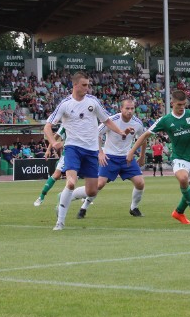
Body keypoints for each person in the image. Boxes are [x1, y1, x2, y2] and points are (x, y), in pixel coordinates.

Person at [43, 71, 127, 231]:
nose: (87, 88)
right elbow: (47, 126)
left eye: (88, 85)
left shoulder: (93, 102)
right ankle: (60, 222)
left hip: (91, 150)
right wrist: (53, 142)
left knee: (92, 190)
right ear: (75, 85)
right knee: (71, 182)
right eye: (84, 85)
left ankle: (63, 197)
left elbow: (106, 120)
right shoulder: (65, 104)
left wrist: (120, 132)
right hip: (72, 148)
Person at [127, 89, 190, 225]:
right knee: (183, 178)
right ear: (172, 103)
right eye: (178, 105)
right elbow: (145, 135)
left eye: (183, 105)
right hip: (178, 157)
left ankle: (178, 212)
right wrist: (132, 151)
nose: (181, 108)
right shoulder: (165, 120)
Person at [70, 97, 147, 219]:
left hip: (126, 157)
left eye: (132, 108)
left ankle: (134, 208)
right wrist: (100, 153)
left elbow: (143, 139)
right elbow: (96, 134)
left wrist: (142, 156)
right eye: (127, 108)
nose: (130, 111)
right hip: (110, 157)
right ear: (121, 108)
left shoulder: (137, 123)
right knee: (98, 185)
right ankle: (81, 205)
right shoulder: (112, 120)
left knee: (140, 183)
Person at [34, 126, 66, 206]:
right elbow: (54, 137)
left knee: (85, 176)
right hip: (67, 154)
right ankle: (41, 197)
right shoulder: (64, 125)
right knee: (56, 175)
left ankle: (85, 197)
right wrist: (48, 150)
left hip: (82, 152)